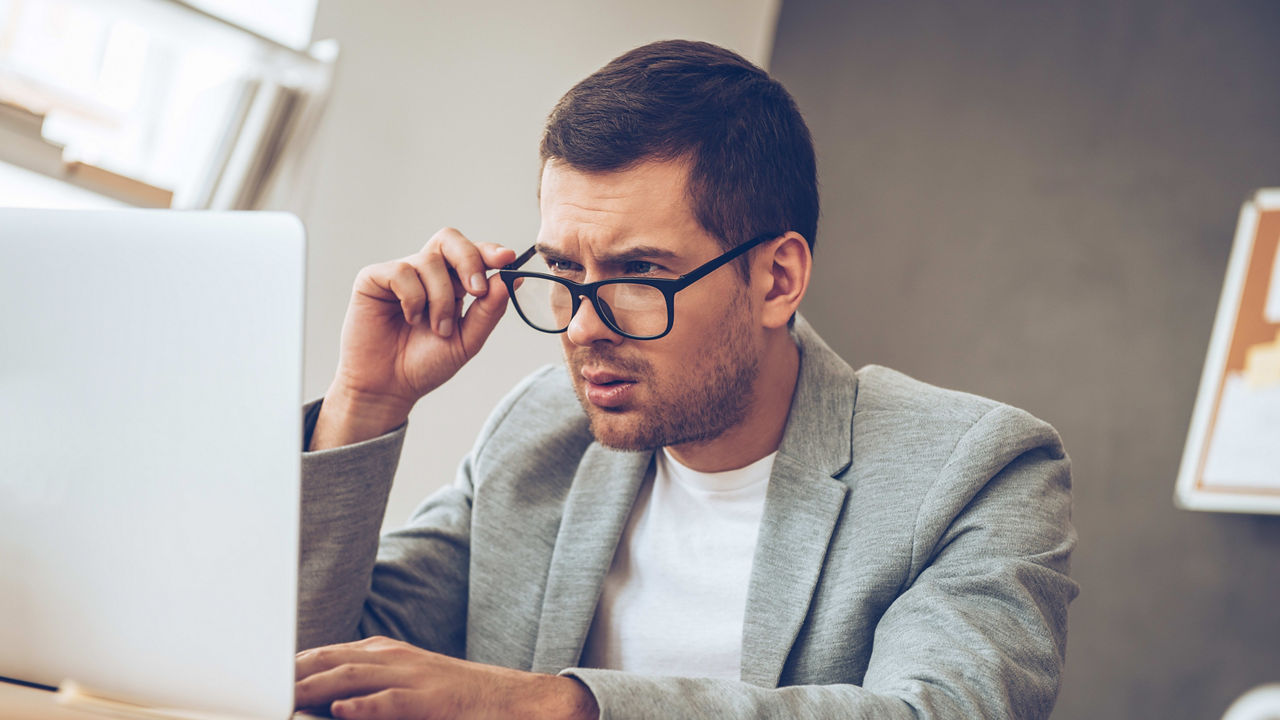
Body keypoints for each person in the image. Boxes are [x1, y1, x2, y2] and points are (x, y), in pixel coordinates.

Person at [291, 40, 1078, 720]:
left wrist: (559, 704)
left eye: (638, 273)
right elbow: (305, 663)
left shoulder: (976, 469)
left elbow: (938, 712)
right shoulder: (539, 433)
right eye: (563, 269)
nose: (580, 325)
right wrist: (367, 403)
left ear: (777, 280)